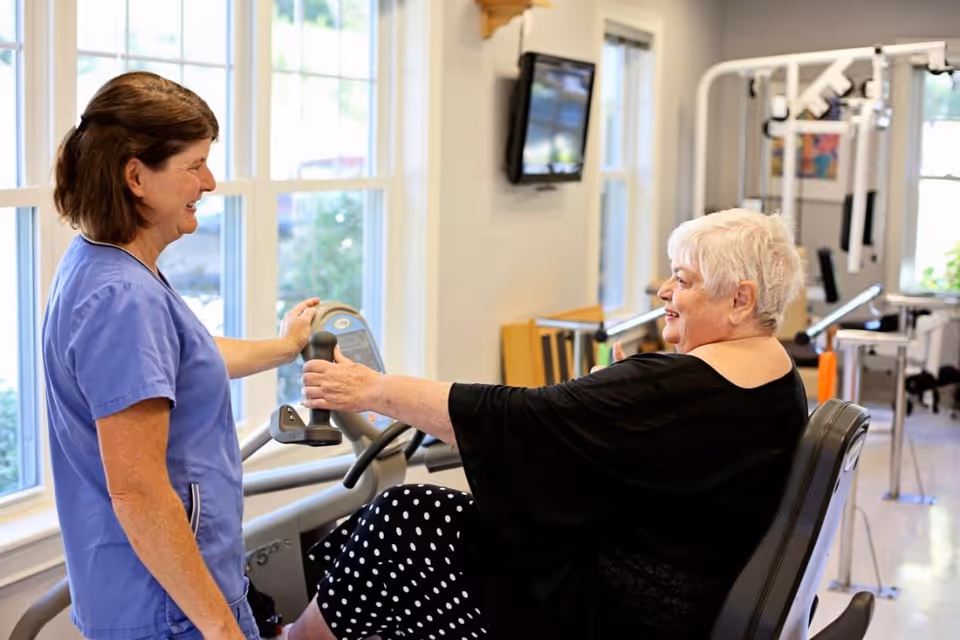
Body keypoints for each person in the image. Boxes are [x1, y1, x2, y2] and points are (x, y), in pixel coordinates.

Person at [289, 208, 809, 640]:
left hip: (614, 615)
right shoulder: (775, 375)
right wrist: (607, 399)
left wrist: (372, 390)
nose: (664, 293)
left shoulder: (681, 385)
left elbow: (521, 422)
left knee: (402, 521)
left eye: (682, 280)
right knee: (401, 523)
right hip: (665, 596)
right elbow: (645, 450)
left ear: (740, 299)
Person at [43, 71, 320, 640]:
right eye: (194, 165)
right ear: (136, 176)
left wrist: (284, 346)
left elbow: (175, 357)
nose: (210, 181)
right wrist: (222, 628)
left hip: (155, 595)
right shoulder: (122, 298)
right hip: (171, 610)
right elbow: (139, 493)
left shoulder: (102, 262)